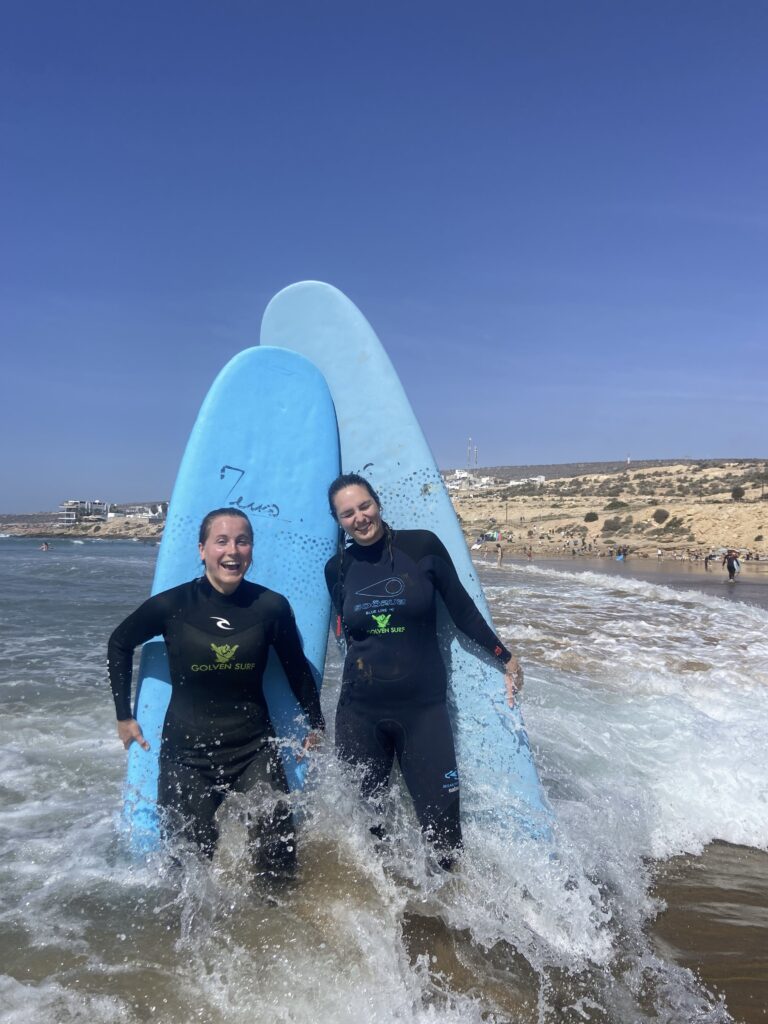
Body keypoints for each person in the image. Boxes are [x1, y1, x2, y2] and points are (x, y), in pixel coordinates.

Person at [107, 508, 324, 878]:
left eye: (242, 541)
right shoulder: (173, 604)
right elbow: (120, 642)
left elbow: (295, 667)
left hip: (254, 750)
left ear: (251, 550)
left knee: (279, 867)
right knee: (188, 876)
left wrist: (316, 724)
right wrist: (124, 716)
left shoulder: (271, 606)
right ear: (202, 549)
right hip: (188, 755)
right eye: (221, 541)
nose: (232, 550)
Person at [324, 473, 523, 870]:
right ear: (338, 521)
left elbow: (463, 610)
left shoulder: (423, 547)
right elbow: (342, 629)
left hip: (423, 713)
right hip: (358, 714)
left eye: (365, 506)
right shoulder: (337, 568)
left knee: (446, 841)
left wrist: (504, 656)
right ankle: (389, 923)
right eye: (347, 514)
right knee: (369, 841)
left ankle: (449, 923)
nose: (360, 518)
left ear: (377, 502)